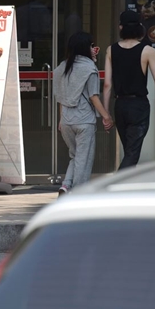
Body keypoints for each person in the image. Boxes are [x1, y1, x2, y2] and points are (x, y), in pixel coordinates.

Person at [103, 10, 155, 170]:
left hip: (120, 105)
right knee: (132, 153)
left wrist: (106, 113)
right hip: (138, 106)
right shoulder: (147, 50)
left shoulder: (111, 50)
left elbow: (107, 85)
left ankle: (125, 190)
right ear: (139, 27)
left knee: (129, 151)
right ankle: (116, 188)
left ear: (120, 27)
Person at [54, 32, 114, 196]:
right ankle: (79, 193)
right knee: (83, 159)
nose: (94, 49)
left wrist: (61, 119)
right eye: (91, 45)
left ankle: (66, 186)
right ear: (85, 48)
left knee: (75, 156)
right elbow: (93, 96)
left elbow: (60, 97)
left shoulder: (62, 67)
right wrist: (106, 116)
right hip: (84, 121)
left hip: (66, 121)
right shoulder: (89, 69)